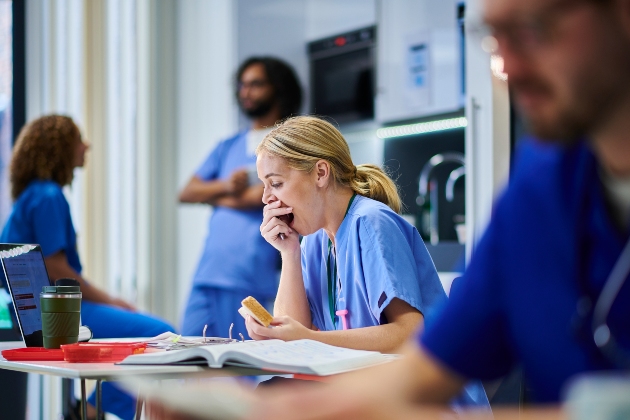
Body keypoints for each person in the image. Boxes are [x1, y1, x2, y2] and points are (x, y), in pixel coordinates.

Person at [240, 0, 630, 418]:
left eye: (534, 29)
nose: (509, 69)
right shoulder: (541, 182)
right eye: (493, 39)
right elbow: (432, 364)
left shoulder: (370, 223)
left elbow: (410, 337)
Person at [245, 116, 487, 407]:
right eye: (264, 186)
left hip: (425, 401)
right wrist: (289, 254)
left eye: (276, 184)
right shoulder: (313, 240)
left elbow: (410, 332)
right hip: (368, 392)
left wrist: (308, 338)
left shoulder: (372, 223)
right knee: (272, 398)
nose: (266, 199)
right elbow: (294, 341)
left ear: (320, 173)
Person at [0, 115, 175, 420]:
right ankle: (89, 412)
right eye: (79, 138)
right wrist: (112, 300)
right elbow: (57, 270)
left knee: (151, 336)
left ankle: (89, 410)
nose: (87, 145)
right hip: (51, 313)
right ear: (61, 147)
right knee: (160, 336)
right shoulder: (48, 196)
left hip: (32, 310)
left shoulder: (33, 195)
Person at [179, 57, 302, 339]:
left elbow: (260, 196)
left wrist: (213, 196)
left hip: (248, 273)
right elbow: (188, 192)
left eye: (256, 84)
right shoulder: (228, 145)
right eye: (242, 85)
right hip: (209, 270)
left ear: (279, 88)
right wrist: (225, 185)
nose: (246, 92)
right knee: (187, 360)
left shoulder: (289, 143)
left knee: (242, 366)